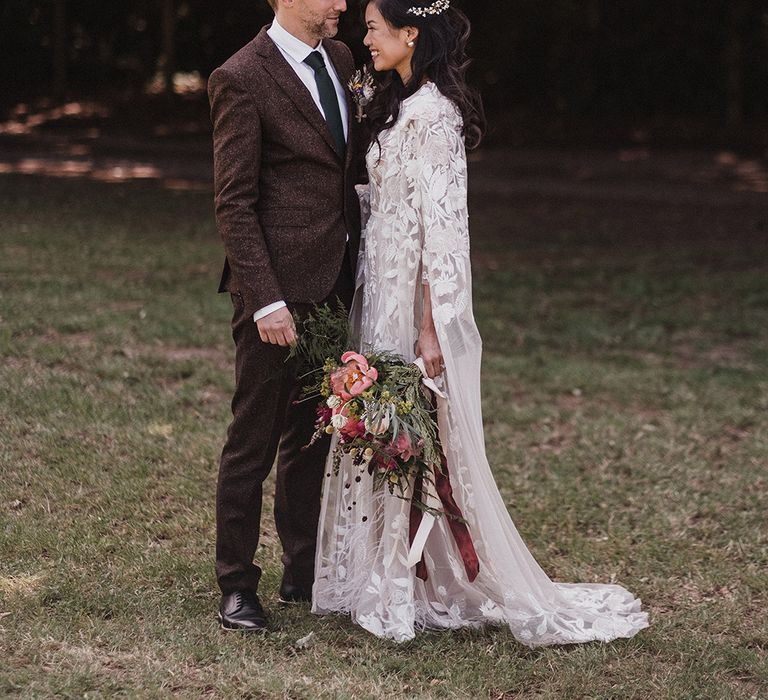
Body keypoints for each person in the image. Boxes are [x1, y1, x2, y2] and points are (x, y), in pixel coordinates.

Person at [312, 0, 650, 645]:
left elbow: (443, 231)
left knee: (415, 433)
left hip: (412, 293)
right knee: (387, 428)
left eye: (374, 29)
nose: (365, 40)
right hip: (378, 285)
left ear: (410, 35)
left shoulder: (435, 115)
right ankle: (384, 573)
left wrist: (432, 324)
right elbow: (388, 196)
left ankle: (409, 575)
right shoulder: (396, 103)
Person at [208, 0, 363, 631]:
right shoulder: (240, 77)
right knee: (255, 437)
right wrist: (267, 299)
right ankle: (237, 585)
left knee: (314, 435)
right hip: (275, 292)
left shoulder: (344, 58)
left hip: (337, 279)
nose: (342, 5)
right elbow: (234, 203)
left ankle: (304, 570)